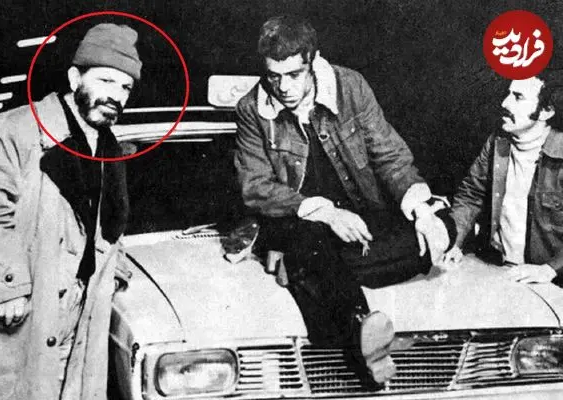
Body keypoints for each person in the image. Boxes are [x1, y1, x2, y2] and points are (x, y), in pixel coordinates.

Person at [234, 15, 453, 383]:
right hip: (301, 221)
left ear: (313, 60)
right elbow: (256, 186)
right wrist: (327, 212)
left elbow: (389, 156)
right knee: (310, 240)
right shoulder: (252, 108)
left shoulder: (349, 86)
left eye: (293, 75)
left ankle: (304, 270)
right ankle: (358, 330)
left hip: (361, 223)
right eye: (274, 76)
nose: (283, 87)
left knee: (440, 224)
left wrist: (421, 211)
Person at [0, 23, 140, 400]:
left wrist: (116, 273)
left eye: (125, 87)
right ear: (75, 78)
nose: (116, 96)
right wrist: (6, 283)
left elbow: (108, 226)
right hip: (25, 303)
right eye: (106, 80)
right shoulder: (16, 129)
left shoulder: (108, 147)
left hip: (78, 310)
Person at [445, 72, 563, 285]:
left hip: (549, 283)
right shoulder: (497, 142)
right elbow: (471, 195)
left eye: (518, 97)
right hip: (499, 270)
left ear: (546, 111)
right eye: (508, 94)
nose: (505, 103)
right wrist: (455, 241)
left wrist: (550, 269)